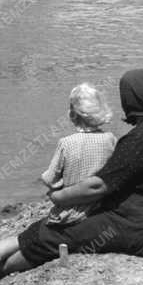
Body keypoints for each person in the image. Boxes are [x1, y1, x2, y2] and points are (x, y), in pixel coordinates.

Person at [0, 70, 143, 276]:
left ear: (132, 99)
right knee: (53, 226)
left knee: (59, 233)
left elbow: (98, 186)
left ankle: (1, 269)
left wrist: (60, 196)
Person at [38, 84, 117, 226]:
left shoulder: (66, 143)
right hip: (103, 208)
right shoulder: (110, 139)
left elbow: (50, 179)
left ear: (72, 115)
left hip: (71, 212)